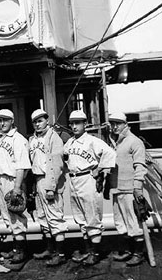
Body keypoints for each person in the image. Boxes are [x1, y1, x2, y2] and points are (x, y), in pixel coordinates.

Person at [64, 110, 116, 266]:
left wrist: (99, 170)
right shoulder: (70, 142)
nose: (74, 126)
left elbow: (110, 153)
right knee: (80, 217)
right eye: (72, 123)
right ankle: (87, 250)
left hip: (87, 179)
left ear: (85, 124)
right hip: (73, 180)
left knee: (92, 216)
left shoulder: (93, 141)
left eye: (77, 123)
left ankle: (96, 252)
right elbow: (65, 157)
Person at [108, 112, 148, 266]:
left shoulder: (134, 142)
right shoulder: (114, 142)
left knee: (134, 223)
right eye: (112, 123)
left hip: (130, 189)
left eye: (118, 123)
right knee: (120, 222)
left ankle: (138, 254)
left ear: (126, 124)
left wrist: (137, 187)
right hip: (117, 189)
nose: (114, 126)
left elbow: (140, 166)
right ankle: (127, 251)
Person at [29, 109, 68, 266]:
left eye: (40, 120)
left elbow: (57, 164)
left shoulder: (54, 138)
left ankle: (61, 253)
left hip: (49, 179)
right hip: (38, 179)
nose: (38, 124)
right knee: (43, 217)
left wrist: (51, 187)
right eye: (35, 121)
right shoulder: (33, 139)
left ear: (47, 120)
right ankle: (50, 249)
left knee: (55, 217)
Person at [0, 109, 31, 264]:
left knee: (16, 216)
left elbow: (22, 166)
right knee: (7, 216)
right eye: (0, 120)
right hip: (0, 179)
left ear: (12, 121)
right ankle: (15, 249)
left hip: (13, 180)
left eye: (5, 120)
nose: (2, 123)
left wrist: (17, 188)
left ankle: (21, 251)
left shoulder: (18, 139)